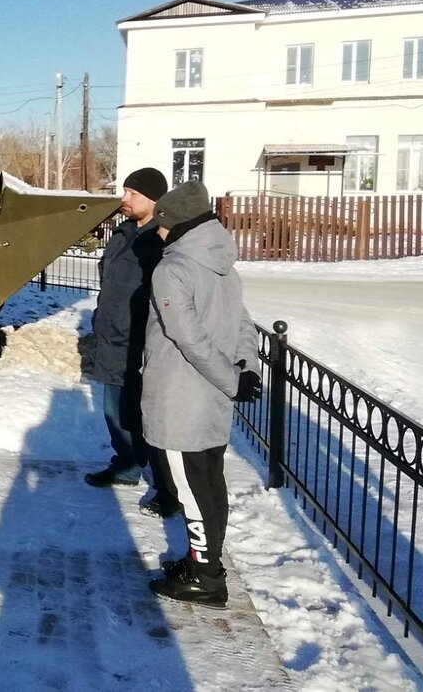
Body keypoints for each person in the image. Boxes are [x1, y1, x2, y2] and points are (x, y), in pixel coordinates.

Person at [141, 180, 261, 609]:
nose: (156, 232)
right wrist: (245, 370)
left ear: (178, 226)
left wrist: (233, 377)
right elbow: (244, 323)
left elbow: (186, 336)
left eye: (161, 225)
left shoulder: (172, 268)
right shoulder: (223, 265)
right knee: (209, 484)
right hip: (211, 399)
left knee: (193, 491)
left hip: (181, 400)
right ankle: (202, 563)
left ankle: (207, 580)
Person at [85, 167, 181, 519]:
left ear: (154, 199)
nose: (124, 199)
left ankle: (168, 490)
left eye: (132, 193)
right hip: (113, 341)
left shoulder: (162, 241)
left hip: (143, 345)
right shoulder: (123, 233)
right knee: (116, 412)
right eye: (124, 191)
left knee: (152, 419)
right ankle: (126, 465)